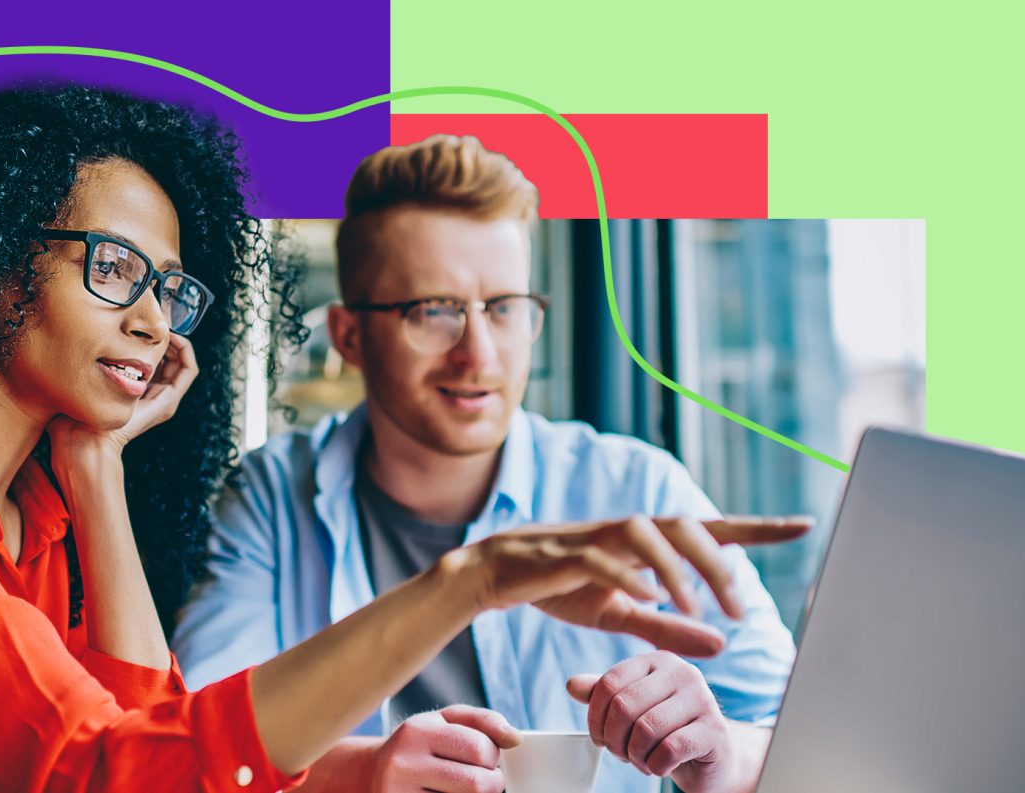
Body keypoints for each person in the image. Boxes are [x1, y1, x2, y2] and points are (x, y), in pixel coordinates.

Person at [0, 89, 805, 793]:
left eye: (169, 285)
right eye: (113, 269)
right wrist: (471, 582)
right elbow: (103, 770)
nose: (156, 318)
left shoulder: (40, 510)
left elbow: (146, 737)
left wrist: (100, 468)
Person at [173, 134, 802, 793]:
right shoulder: (273, 497)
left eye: (504, 309)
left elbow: (796, 732)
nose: (479, 355)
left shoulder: (637, 487)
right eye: (433, 311)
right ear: (349, 336)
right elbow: (196, 748)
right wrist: (360, 774)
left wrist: (717, 750)